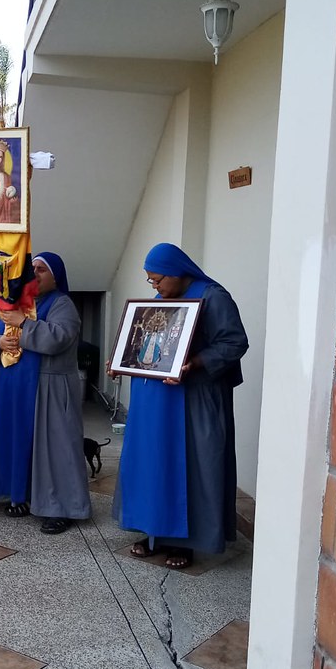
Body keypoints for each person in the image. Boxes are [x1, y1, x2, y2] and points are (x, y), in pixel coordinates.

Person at [112, 242, 248, 569]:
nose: (154, 287)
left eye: (157, 280)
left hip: (193, 400)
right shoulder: (161, 300)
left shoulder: (214, 297)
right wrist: (122, 359)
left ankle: (186, 543)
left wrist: (197, 361)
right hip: (155, 401)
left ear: (177, 272)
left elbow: (235, 342)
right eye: (151, 282)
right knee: (154, 465)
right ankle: (153, 532)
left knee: (188, 466)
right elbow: (146, 342)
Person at [0, 252, 91, 534]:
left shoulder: (62, 304)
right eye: (32, 269)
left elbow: (58, 338)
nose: (35, 274)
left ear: (56, 277)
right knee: (15, 441)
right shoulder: (10, 301)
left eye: (42, 270)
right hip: (10, 386)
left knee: (54, 449)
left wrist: (22, 323)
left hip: (47, 388)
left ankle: (61, 507)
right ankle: (20, 494)